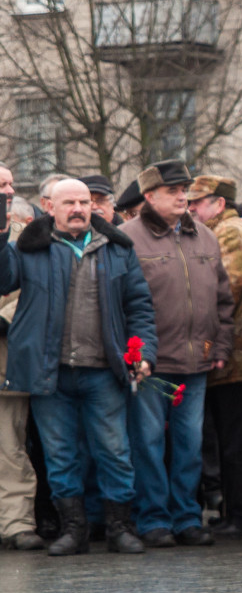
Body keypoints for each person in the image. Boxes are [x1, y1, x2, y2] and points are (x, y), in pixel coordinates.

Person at [0, 179, 156, 555]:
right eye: (68, 202)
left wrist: (144, 352)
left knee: (114, 452)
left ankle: (120, 527)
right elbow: (4, 280)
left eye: (84, 202)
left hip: (103, 371)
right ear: (48, 206)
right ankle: (74, 530)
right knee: (60, 456)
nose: (79, 208)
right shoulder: (29, 247)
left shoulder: (118, 248)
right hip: (50, 374)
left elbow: (139, 306)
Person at [122, 160, 234, 548]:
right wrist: (133, 354)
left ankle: (187, 517)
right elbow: (122, 304)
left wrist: (219, 346)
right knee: (148, 443)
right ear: (149, 196)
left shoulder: (205, 236)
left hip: (197, 360)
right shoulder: (128, 238)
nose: (183, 196)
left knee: (189, 443)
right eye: (173, 191)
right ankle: (153, 518)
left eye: (184, 189)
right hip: (151, 364)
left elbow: (223, 299)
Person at [188, 175, 242, 538]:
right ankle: (236, 512)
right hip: (229, 353)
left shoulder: (230, 232)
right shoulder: (219, 231)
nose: (191, 208)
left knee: (239, 441)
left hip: (236, 356)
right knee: (231, 439)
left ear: (219, 203)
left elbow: (229, 286)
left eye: (198, 202)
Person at [0, 169, 43, 551]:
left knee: (10, 447)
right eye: (2, 186)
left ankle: (16, 522)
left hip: (5, 360)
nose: (10, 191)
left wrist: (6, 317)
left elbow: (33, 289)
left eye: (11, 185)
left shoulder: (21, 237)